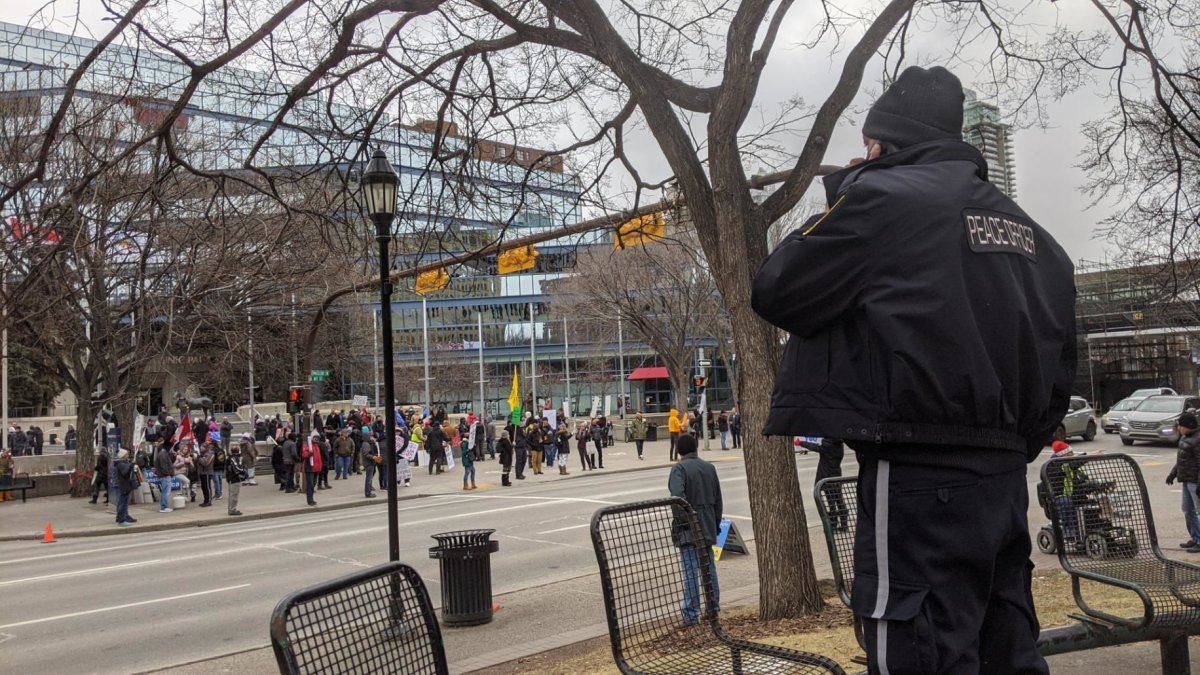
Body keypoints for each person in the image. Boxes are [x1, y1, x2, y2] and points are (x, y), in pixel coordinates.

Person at [751, 66, 1075, 674]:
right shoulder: (1039, 240)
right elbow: (1061, 371)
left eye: (870, 144)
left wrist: (854, 187)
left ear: (883, 143)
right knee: (1006, 646)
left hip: (916, 476)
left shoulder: (882, 200)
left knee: (918, 650)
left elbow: (777, 288)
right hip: (1003, 481)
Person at [668, 434, 722, 625]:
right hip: (707, 524)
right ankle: (712, 607)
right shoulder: (709, 468)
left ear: (680, 450)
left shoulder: (679, 469)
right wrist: (714, 524)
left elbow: (677, 499)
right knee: (709, 568)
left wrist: (683, 522)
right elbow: (718, 500)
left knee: (691, 570)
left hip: (689, 528)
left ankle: (691, 614)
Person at [1167, 412, 1200, 551]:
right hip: (1186, 480)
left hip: (1195, 481)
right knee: (1187, 509)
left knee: (1198, 511)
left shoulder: (1198, 440)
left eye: (1181, 426)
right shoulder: (1185, 438)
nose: (1179, 428)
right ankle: (1196, 537)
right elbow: (1182, 460)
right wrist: (1173, 474)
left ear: (1189, 426)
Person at [800, 438, 848, 530]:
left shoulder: (827, 446)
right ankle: (844, 524)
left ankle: (833, 524)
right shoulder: (839, 445)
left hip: (826, 476)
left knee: (831, 502)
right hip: (837, 475)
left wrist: (800, 442)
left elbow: (813, 447)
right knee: (839, 499)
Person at [113, 449, 138, 526]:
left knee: (124, 502)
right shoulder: (121, 464)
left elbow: (129, 471)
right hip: (124, 485)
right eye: (126, 454)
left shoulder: (124, 463)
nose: (128, 455)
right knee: (122, 503)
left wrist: (133, 468)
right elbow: (125, 472)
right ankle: (121, 519)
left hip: (126, 484)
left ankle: (122, 517)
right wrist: (131, 465)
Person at [225, 441, 247, 516]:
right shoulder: (235, 459)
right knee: (234, 495)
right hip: (235, 478)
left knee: (231, 495)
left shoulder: (229, 458)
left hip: (230, 478)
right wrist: (244, 472)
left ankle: (230, 509)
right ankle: (232, 510)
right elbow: (238, 469)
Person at [154, 442, 176, 513]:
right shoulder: (163, 455)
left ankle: (164, 506)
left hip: (165, 475)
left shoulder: (163, 454)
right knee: (166, 492)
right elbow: (164, 466)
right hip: (165, 476)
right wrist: (168, 474)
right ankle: (164, 507)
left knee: (165, 491)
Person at [302, 433, 322, 506]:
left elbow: (319, 458)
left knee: (313, 484)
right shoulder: (307, 445)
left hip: (316, 468)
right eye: (314, 438)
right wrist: (308, 454)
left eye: (317, 438)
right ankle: (310, 500)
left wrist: (320, 467)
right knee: (310, 484)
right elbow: (304, 454)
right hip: (309, 467)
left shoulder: (317, 446)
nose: (316, 439)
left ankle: (311, 498)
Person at [361, 432, 380, 498]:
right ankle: (368, 493)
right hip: (368, 463)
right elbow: (366, 454)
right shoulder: (366, 444)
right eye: (370, 436)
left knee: (369, 478)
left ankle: (368, 491)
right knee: (369, 479)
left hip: (370, 463)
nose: (371, 437)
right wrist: (374, 457)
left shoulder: (368, 443)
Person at [197, 441, 215, 507]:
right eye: (200, 447)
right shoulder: (203, 454)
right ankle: (205, 500)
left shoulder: (210, 453)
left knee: (207, 487)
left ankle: (209, 501)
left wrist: (199, 458)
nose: (200, 448)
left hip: (207, 472)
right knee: (203, 487)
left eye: (202, 447)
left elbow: (206, 463)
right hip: (202, 472)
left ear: (205, 447)